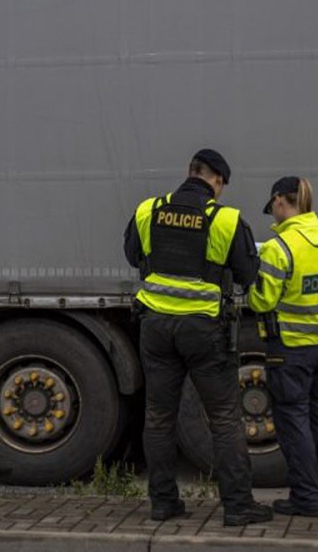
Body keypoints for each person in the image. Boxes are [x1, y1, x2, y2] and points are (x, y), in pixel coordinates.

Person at [124, 149, 272, 526]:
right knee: (224, 419)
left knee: (158, 418)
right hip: (204, 330)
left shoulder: (148, 210)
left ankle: (163, 503)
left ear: (189, 173)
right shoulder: (225, 219)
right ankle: (238, 507)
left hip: (155, 327)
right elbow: (245, 275)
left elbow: (132, 255)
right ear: (217, 181)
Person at [247, 176, 318, 517]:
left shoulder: (280, 249)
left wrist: (249, 283)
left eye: (273, 208)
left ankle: (307, 498)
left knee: (294, 423)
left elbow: (262, 301)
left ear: (280, 201)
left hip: (289, 348)